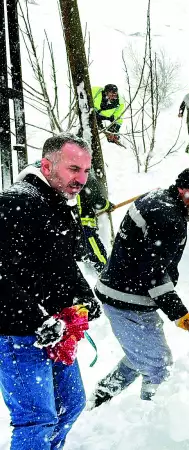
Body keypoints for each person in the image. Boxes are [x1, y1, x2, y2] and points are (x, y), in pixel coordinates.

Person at [0, 133, 102, 449]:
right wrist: (37, 318)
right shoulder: (17, 202)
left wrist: (84, 296)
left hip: (55, 330)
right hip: (17, 333)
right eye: (74, 169)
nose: (81, 179)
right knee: (37, 419)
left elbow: (63, 264)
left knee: (70, 404)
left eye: (86, 171)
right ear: (47, 165)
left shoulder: (56, 204)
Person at [90, 168, 189, 407]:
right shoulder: (169, 219)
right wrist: (178, 312)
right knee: (159, 366)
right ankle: (154, 421)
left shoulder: (156, 198)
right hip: (128, 299)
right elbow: (154, 274)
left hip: (121, 289)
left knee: (141, 355)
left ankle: (100, 395)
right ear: (182, 189)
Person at [76, 169, 112, 273]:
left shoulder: (66, 177)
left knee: (84, 255)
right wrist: (108, 205)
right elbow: (97, 201)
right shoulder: (86, 178)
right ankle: (106, 275)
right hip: (85, 225)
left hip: (72, 226)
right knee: (98, 254)